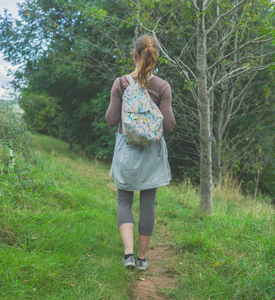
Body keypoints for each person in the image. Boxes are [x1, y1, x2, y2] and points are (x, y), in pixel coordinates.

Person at [105, 34, 176, 271]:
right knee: (148, 203)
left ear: (134, 55)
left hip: (127, 151)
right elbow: (169, 125)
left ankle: (128, 255)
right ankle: (143, 258)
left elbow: (110, 120)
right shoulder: (162, 86)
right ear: (155, 59)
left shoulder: (121, 83)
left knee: (124, 200)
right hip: (152, 155)